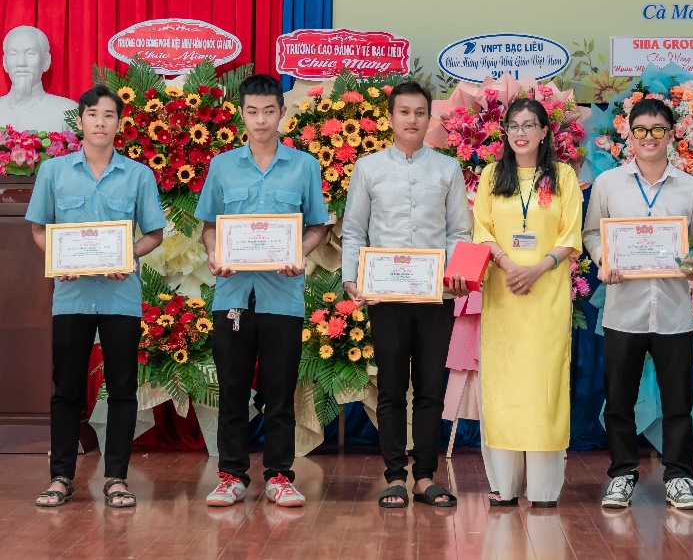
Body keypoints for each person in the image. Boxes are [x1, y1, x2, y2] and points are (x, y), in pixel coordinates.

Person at [26, 85, 165, 508]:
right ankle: (61, 477)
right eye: (92, 114)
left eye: (108, 115)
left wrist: (129, 254)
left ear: (119, 123)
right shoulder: (54, 171)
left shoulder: (138, 174)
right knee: (66, 389)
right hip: (71, 296)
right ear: (81, 120)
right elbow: (38, 229)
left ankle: (117, 478)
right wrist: (58, 258)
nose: (100, 122)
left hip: (121, 295)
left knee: (122, 388)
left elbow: (154, 234)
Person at [197, 74, 328, 508]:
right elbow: (210, 225)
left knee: (279, 391)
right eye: (252, 111)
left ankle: (279, 476)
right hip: (233, 294)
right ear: (241, 114)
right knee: (233, 389)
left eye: (269, 111)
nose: (260, 120)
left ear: (282, 113)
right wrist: (214, 253)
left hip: (283, 295)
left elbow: (317, 226)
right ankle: (231, 475)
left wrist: (300, 252)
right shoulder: (222, 166)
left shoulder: (304, 166)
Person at [342, 80, 471, 508]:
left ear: (429, 117)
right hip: (386, 296)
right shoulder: (368, 168)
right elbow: (353, 230)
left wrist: (455, 273)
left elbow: (459, 231)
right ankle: (395, 476)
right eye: (404, 112)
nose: (412, 120)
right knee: (392, 389)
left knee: (431, 389)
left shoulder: (447, 169)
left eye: (419, 112)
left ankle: (425, 477)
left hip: (436, 296)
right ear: (390, 117)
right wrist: (351, 279)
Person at [583, 97, 693, 511]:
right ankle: (622, 474)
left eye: (658, 130)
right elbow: (592, 233)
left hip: (674, 310)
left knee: (678, 402)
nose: (649, 137)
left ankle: (679, 477)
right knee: (619, 400)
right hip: (624, 308)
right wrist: (604, 260)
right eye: (640, 130)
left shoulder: (691, 188)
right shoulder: (609, 184)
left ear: (671, 134)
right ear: (629, 135)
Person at [473, 97, 583, 508]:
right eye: (514, 126)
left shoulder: (563, 176)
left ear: (544, 132)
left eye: (529, 125)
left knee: (543, 386)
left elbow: (570, 235)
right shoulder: (490, 175)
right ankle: (504, 485)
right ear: (505, 132)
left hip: (546, 295)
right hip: (503, 295)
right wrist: (507, 264)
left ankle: (542, 489)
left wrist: (537, 269)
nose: (521, 133)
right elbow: (481, 231)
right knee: (503, 385)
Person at [0, 25, 76, 131]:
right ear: (4, 62)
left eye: (30, 53)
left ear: (46, 61)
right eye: (13, 54)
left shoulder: (68, 111)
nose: (21, 63)